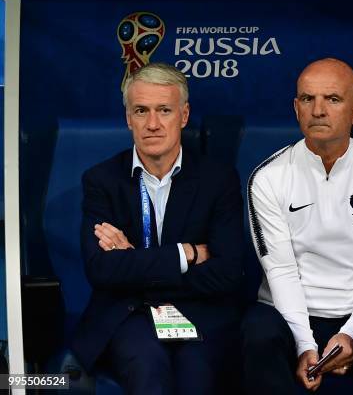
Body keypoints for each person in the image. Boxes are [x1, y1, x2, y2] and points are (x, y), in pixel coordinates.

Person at [242, 58, 353, 394]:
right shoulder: (267, 178)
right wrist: (304, 345)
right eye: (308, 99)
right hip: (290, 316)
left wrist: (352, 334)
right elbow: (281, 271)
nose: (318, 110)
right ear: (296, 109)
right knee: (257, 330)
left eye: (333, 99)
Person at [72, 63, 244, 395]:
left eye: (164, 110)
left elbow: (228, 271)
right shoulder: (102, 180)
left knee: (198, 376)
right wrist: (187, 254)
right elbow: (101, 269)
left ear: (183, 115)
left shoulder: (217, 179)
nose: (152, 124)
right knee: (148, 370)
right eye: (141, 111)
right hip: (130, 315)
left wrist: (136, 263)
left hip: (198, 313)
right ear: (128, 118)